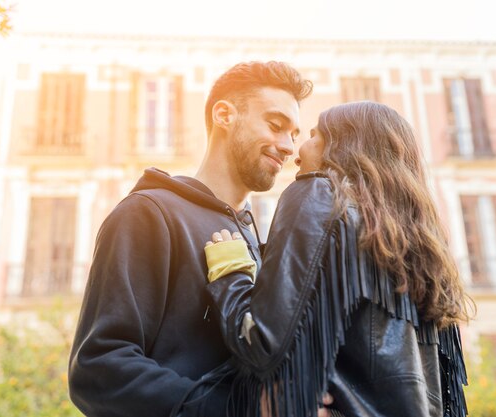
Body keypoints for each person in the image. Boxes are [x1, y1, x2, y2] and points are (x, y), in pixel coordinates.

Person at [68, 61, 317, 417]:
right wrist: (242, 411)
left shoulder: (251, 233)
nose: (289, 146)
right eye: (276, 126)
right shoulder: (148, 213)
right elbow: (98, 369)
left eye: (293, 134)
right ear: (224, 115)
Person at [202, 101, 471, 417]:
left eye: (314, 135)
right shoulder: (423, 251)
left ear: (345, 145)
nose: (297, 152)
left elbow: (263, 347)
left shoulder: (318, 194)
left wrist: (231, 274)